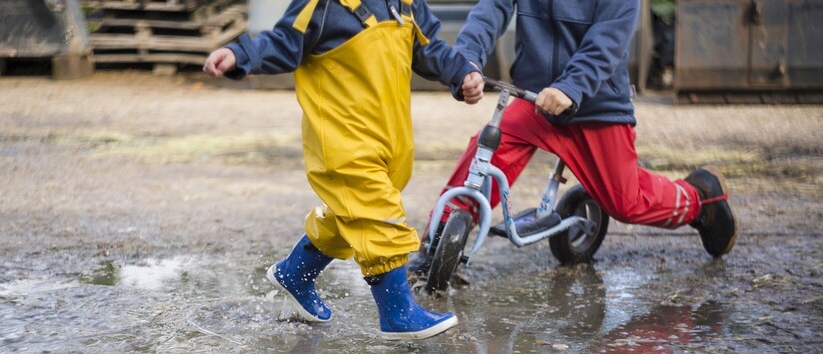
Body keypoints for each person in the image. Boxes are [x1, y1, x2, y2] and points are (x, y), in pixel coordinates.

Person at [203, 0, 483, 340]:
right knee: (379, 215)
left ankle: (296, 272)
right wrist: (239, 55)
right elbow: (282, 41)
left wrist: (461, 72)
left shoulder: (405, 3)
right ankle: (397, 313)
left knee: (351, 214)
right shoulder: (323, 5)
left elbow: (429, 47)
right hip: (342, 140)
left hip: (389, 138)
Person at [409, 0, 738, 277]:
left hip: (594, 104)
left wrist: (570, 87)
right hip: (534, 99)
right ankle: (437, 241)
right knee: (486, 153)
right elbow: (491, 8)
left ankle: (700, 199)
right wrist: (467, 61)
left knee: (627, 203)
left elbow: (609, 38)